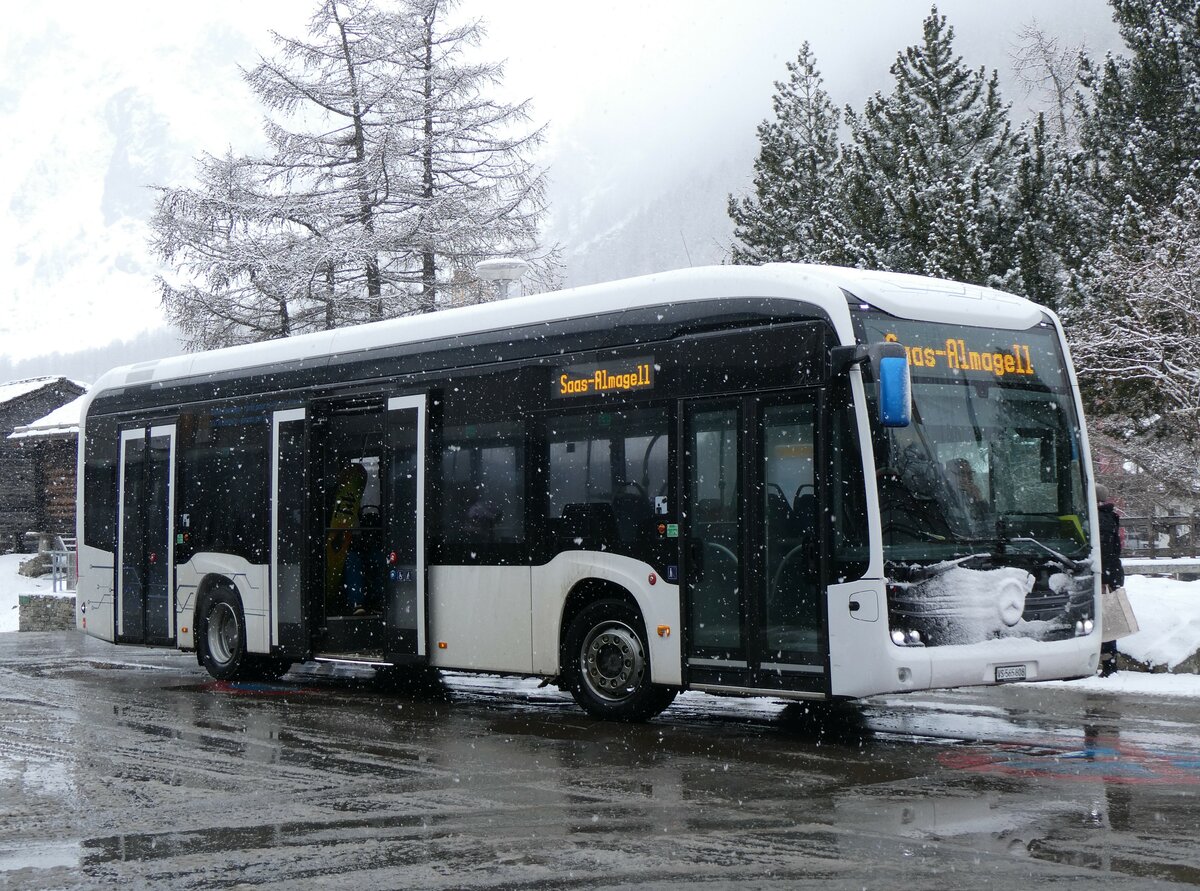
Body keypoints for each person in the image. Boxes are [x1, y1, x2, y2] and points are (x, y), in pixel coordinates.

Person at [1096, 484, 1133, 676]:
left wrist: (1103, 577)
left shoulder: (1098, 519)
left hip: (1104, 576)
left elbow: (1103, 552)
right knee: (1106, 617)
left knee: (1103, 619)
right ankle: (1108, 661)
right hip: (1112, 573)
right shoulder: (1110, 516)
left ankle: (1108, 663)